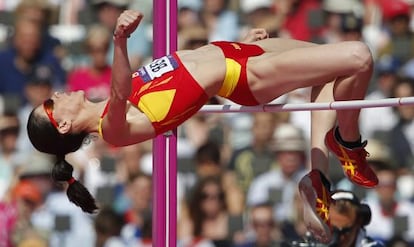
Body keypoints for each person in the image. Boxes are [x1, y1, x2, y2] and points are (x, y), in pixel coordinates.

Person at [26, 10, 378, 243]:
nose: (57, 93)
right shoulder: (112, 127)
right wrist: (119, 40)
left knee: (331, 70)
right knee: (358, 57)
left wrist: (238, 42)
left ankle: (318, 178)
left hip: (237, 52)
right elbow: (121, 91)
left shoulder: (114, 102)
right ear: (65, 125)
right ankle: (348, 141)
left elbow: (183, 67)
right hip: (243, 76)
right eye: (52, 103)